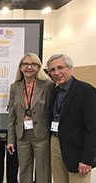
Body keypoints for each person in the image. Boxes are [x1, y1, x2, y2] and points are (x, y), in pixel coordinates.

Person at [47, 54, 96, 183]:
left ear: (70, 68)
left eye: (60, 68)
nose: (56, 73)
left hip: (77, 149)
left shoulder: (86, 91)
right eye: (52, 70)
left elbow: (93, 127)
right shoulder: (54, 92)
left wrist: (87, 158)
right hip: (56, 144)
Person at [7, 53, 54, 183]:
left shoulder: (48, 85)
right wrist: (11, 140)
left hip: (42, 136)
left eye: (33, 64)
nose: (29, 67)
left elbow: (52, 111)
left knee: (43, 171)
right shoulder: (14, 87)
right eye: (25, 64)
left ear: (38, 68)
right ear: (21, 67)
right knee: (24, 171)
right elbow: (12, 116)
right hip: (22, 136)